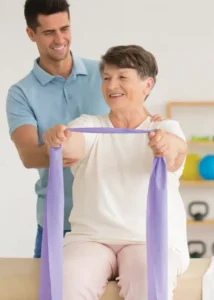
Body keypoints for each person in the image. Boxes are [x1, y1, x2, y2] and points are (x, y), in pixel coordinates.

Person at [6, 0, 163, 258]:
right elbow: (29, 155)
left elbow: (135, 115)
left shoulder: (104, 74)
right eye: (48, 32)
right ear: (31, 34)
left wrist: (155, 124)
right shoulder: (21, 94)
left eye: (64, 29)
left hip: (114, 221)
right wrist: (64, 147)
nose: (60, 39)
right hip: (58, 219)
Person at [43, 45, 190, 300]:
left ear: (147, 85)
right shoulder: (88, 124)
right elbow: (71, 146)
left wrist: (164, 145)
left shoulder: (165, 127)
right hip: (91, 239)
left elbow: (176, 152)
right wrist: (58, 138)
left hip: (149, 240)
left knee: (149, 280)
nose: (112, 86)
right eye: (107, 78)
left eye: (122, 77)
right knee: (67, 279)